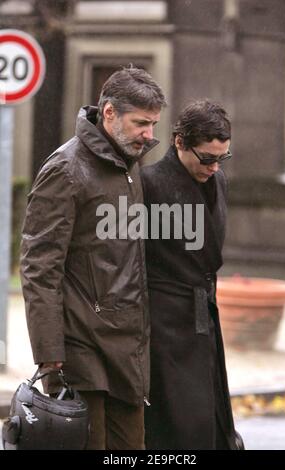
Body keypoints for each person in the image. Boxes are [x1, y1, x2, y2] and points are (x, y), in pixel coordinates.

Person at [20, 66, 166, 450]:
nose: (150, 135)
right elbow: (39, 267)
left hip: (127, 348)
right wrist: (50, 354)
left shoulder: (128, 163)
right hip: (80, 350)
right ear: (110, 113)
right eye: (142, 123)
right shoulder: (65, 169)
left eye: (153, 124)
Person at [141, 100, 244, 450]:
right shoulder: (148, 185)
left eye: (221, 158)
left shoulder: (218, 181)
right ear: (179, 142)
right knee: (176, 428)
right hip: (162, 325)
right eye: (207, 158)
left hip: (203, 318)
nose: (214, 167)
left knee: (210, 424)